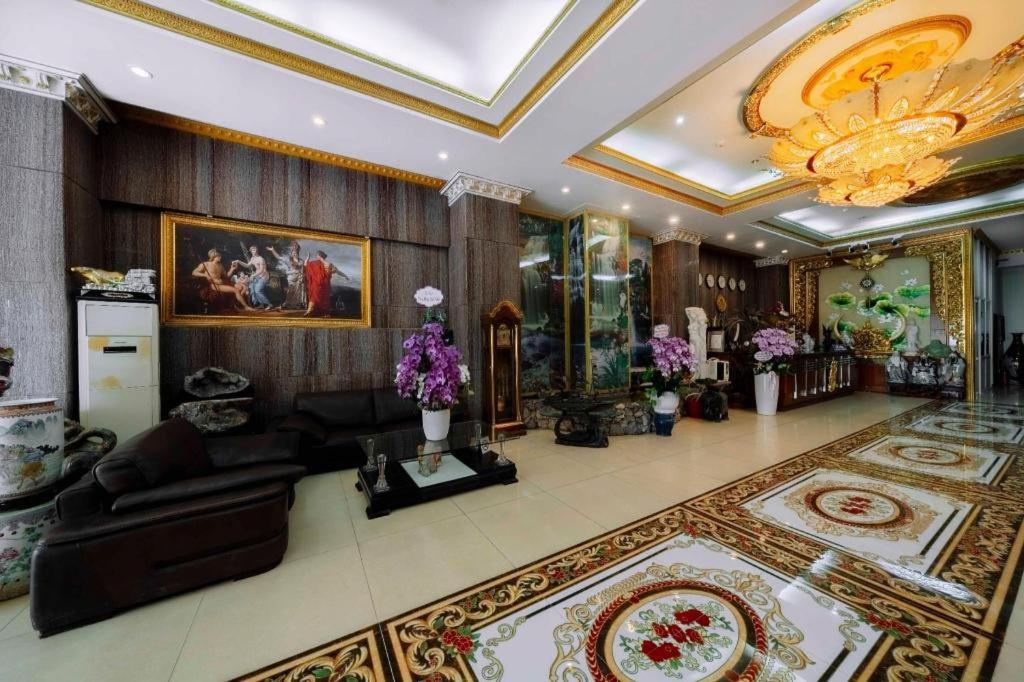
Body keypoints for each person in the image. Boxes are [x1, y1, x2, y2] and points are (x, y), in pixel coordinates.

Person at [304, 250, 349, 317]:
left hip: (317, 285)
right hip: (325, 287)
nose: (316, 257)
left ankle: (309, 310)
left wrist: (308, 257)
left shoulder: (314, 263)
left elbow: (305, 265)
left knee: (314, 297)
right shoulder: (329, 264)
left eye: (317, 255)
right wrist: (345, 276)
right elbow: (338, 272)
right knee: (323, 300)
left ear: (319, 256)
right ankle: (315, 311)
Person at [266, 241, 306, 310]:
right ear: (291, 254)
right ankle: (287, 304)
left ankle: (296, 305)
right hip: (291, 277)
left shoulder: (301, 261)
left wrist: (302, 276)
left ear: (298, 253)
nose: (295, 254)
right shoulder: (288, 260)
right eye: (293, 253)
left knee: (298, 291)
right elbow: (279, 257)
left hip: (299, 278)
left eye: (296, 253)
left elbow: (303, 270)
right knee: (290, 291)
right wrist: (272, 250)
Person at [238, 245, 272, 309]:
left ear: (257, 251)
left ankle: (269, 304)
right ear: (251, 251)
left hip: (263, 276)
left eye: (255, 249)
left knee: (258, 290)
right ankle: (262, 304)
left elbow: (262, 270)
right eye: (252, 250)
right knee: (254, 291)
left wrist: (253, 275)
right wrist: (239, 261)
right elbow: (247, 265)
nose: (254, 251)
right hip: (257, 276)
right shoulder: (253, 258)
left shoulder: (261, 259)